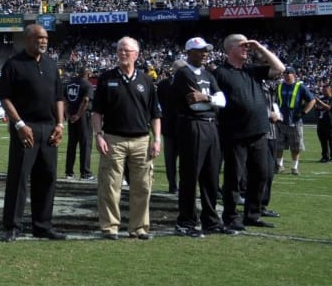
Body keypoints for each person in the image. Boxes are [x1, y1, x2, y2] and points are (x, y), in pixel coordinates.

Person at [0, 23, 65, 242]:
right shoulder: (13, 65)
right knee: (19, 178)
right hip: (25, 128)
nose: (43, 41)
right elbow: (5, 97)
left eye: (45, 38)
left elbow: (58, 97)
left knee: (47, 177)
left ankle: (42, 225)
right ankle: (13, 225)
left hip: (49, 127)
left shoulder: (52, 65)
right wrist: (19, 124)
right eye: (39, 38)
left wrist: (60, 124)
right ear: (28, 39)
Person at [92, 36, 160, 241]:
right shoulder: (106, 78)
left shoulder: (146, 80)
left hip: (141, 140)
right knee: (110, 185)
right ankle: (110, 227)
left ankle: (139, 227)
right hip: (113, 139)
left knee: (142, 186)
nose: (122, 53)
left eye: (127, 50)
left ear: (136, 55)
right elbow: (96, 112)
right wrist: (98, 135)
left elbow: (155, 114)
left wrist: (157, 139)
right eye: (120, 49)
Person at [216, 34, 285, 231]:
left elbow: (279, 68)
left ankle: (252, 214)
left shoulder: (251, 70)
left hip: (259, 132)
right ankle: (230, 216)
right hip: (235, 134)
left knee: (261, 174)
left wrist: (259, 47)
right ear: (230, 49)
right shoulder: (221, 73)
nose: (247, 49)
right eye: (243, 46)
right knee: (234, 178)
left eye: (248, 46)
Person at [172, 38, 233, 238]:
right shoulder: (183, 74)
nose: (205, 53)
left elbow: (222, 101)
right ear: (189, 52)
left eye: (206, 50)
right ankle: (186, 221)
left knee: (211, 176)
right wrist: (210, 101)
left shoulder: (208, 74)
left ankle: (211, 220)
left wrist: (207, 98)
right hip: (193, 125)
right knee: (191, 175)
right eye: (200, 51)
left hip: (210, 126)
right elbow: (193, 105)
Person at [274, 69, 316, 176]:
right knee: (278, 145)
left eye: (289, 73)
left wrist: (304, 112)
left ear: (294, 75)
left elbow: (312, 100)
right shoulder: (279, 86)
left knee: (296, 145)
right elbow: (274, 100)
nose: (287, 75)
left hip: (295, 120)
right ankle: (279, 166)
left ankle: (294, 167)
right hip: (280, 120)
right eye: (285, 73)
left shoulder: (300, 86)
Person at [155, 62, 182, 194]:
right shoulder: (188, 83)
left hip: (168, 126)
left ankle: (173, 186)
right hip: (182, 126)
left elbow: (157, 104)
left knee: (170, 159)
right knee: (184, 159)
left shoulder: (163, 84)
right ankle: (180, 185)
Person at [64, 67, 94, 181]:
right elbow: (86, 101)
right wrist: (78, 115)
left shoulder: (69, 84)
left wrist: (68, 114)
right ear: (87, 73)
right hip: (83, 117)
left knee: (71, 144)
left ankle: (69, 172)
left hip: (71, 116)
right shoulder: (87, 85)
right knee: (85, 144)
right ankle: (85, 173)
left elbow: (64, 100)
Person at [315, 84, 332, 163]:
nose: (323, 92)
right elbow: (317, 109)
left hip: (330, 123)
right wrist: (316, 105)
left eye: (325, 90)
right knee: (323, 141)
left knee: (331, 141)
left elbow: (329, 108)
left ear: (330, 90)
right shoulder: (322, 98)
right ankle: (325, 156)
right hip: (321, 122)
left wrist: (319, 102)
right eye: (323, 90)